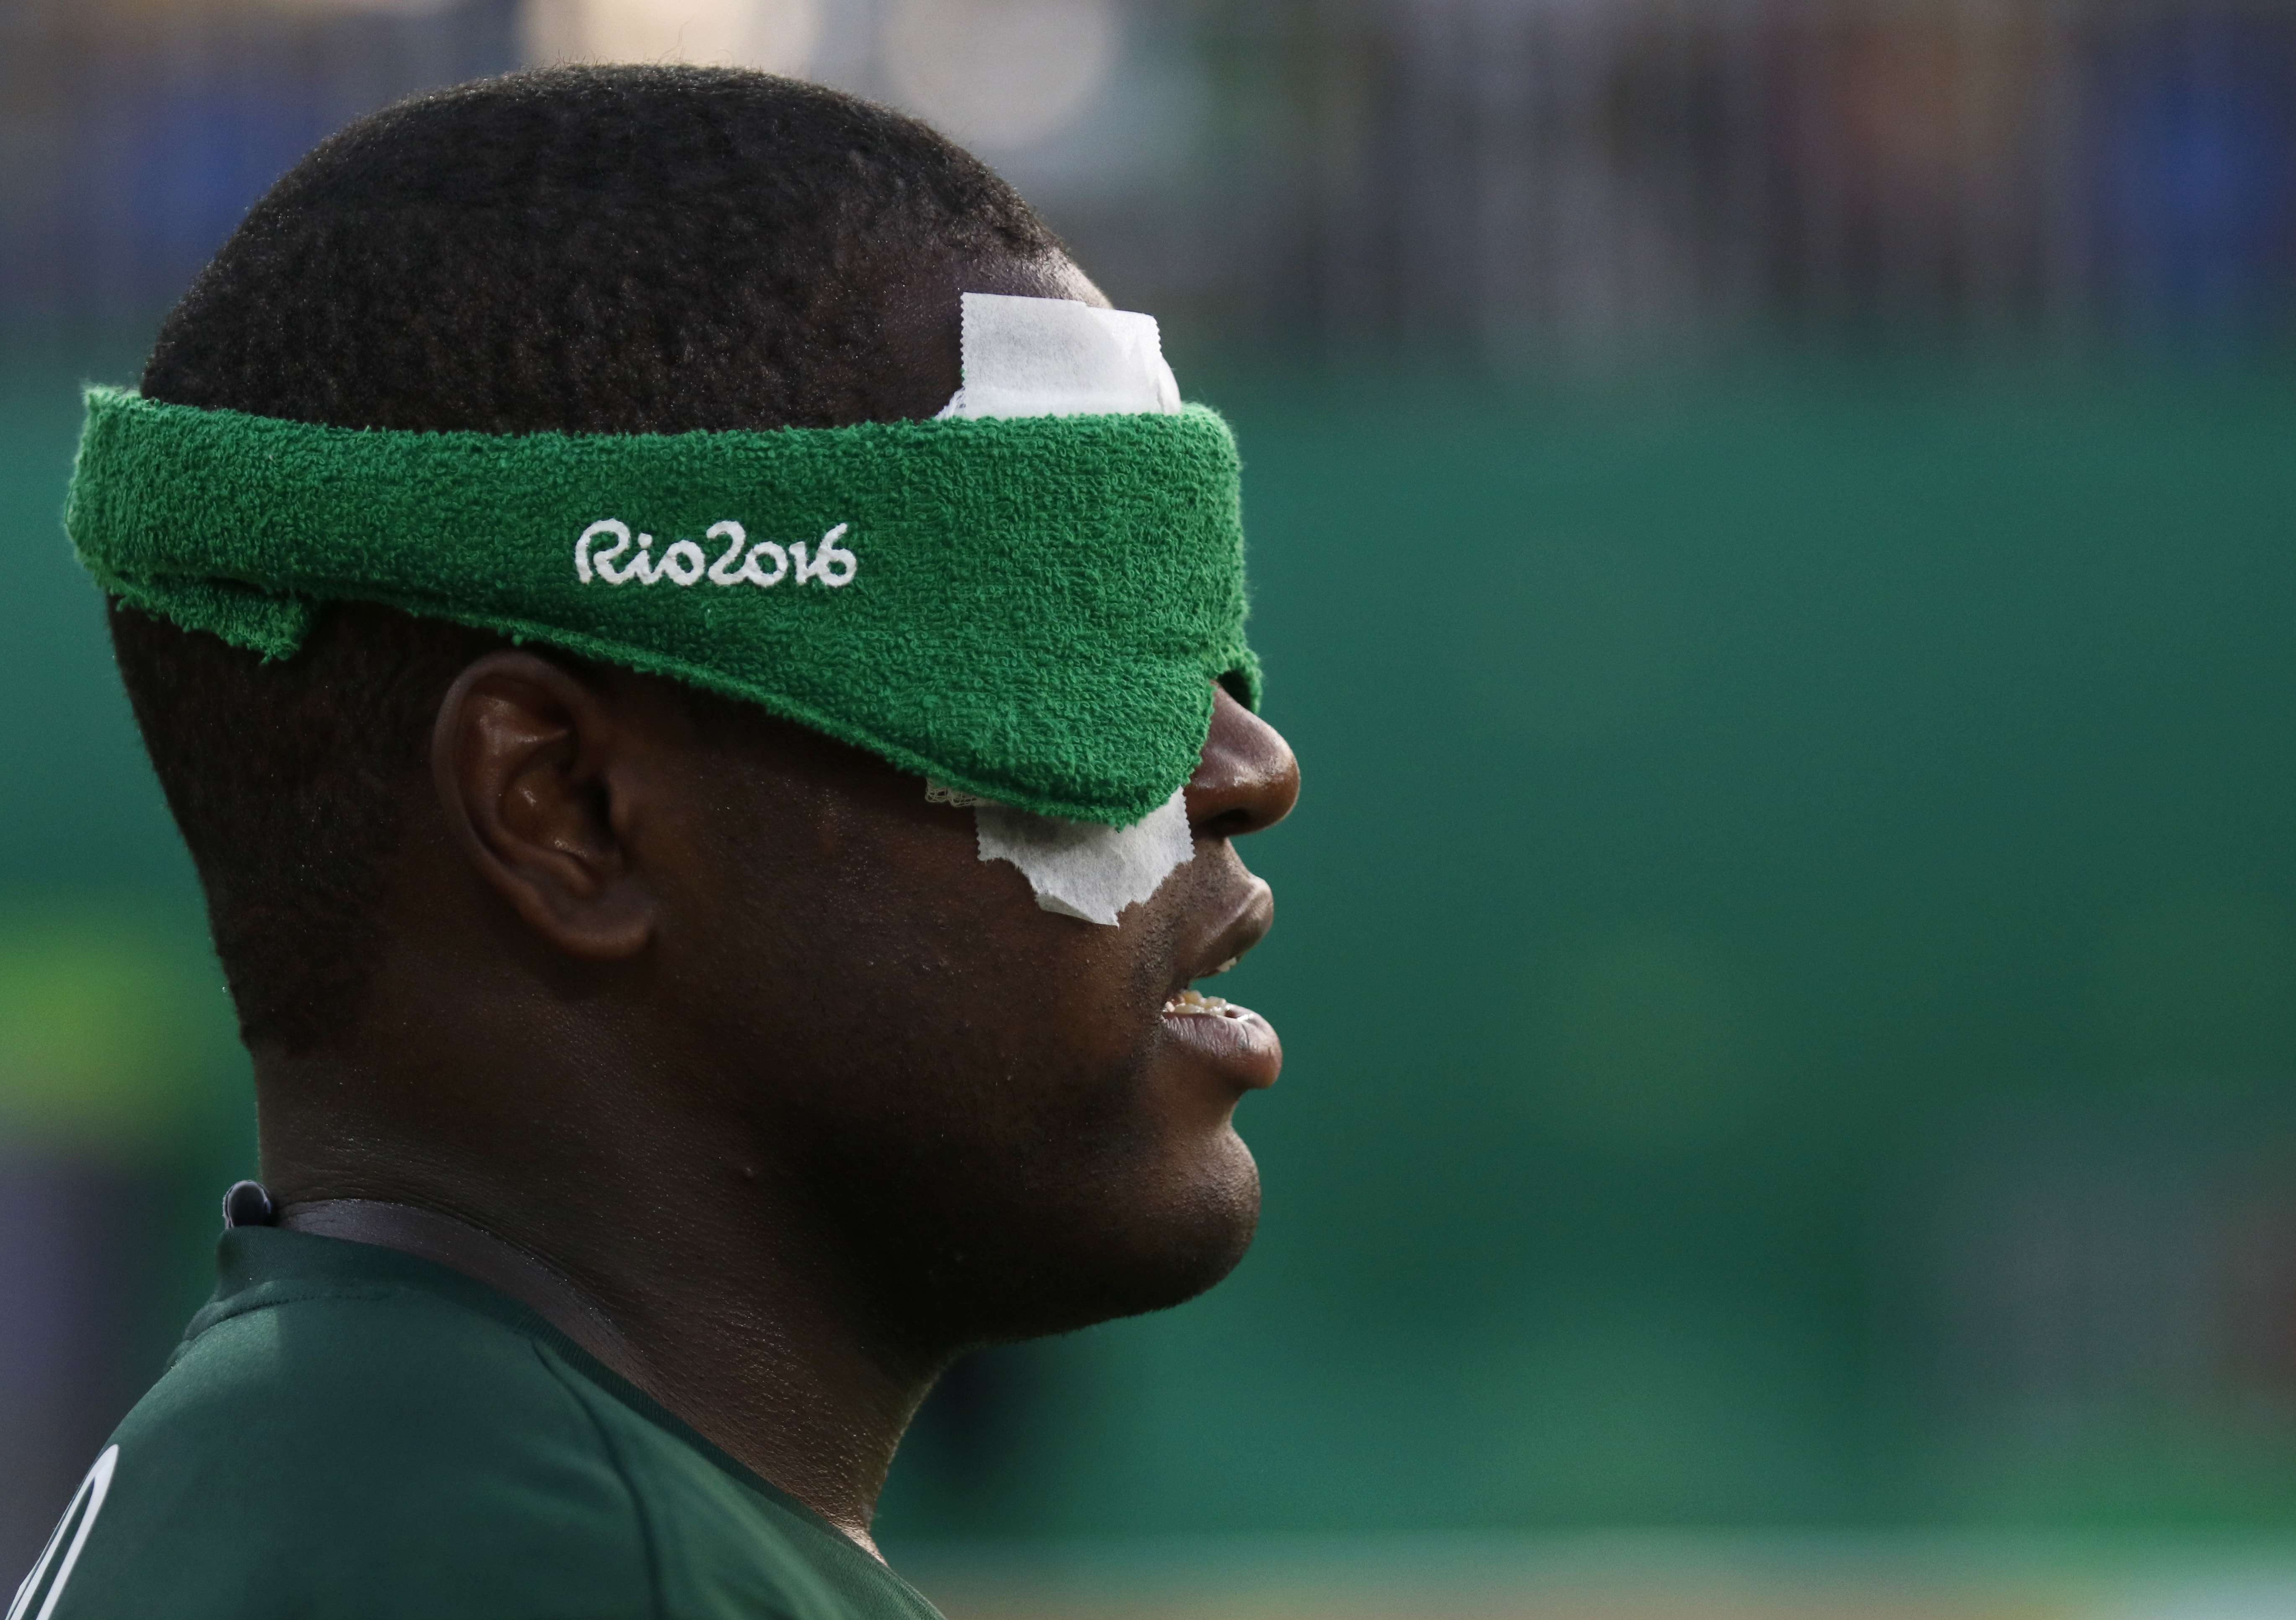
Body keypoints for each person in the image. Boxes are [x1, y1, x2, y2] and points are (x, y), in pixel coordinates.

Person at [15, 65, 1297, 1620]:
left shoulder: (307, 1470)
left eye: (1202, 643)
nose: (1247, 762)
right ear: (567, 810)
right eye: (1061, 635)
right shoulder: (574, 1565)